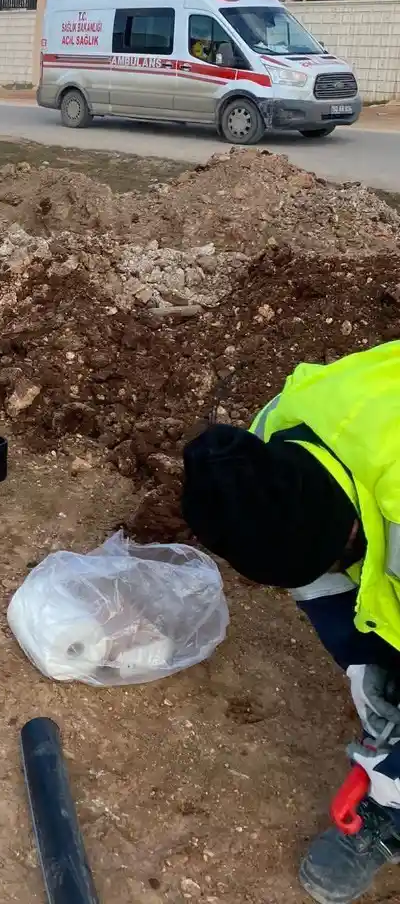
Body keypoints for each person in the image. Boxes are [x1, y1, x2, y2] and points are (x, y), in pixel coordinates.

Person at [180, 340, 400, 904]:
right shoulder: (282, 432)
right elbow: (318, 581)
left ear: (351, 531)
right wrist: (363, 659)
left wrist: (394, 772)